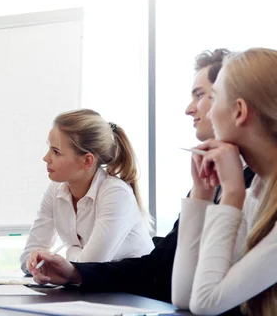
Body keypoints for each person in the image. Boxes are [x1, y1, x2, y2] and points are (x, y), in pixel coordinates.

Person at [26, 49, 254, 308]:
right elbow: (167, 272)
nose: (190, 109)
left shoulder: (254, 188)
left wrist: (76, 267)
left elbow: (200, 298)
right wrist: (75, 271)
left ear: (239, 107)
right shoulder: (211, 181)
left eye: (202, 95)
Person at [172, 48, 277, 315]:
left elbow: (206, 303)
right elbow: (184, 296)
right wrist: (202, 193)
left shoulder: (245, 192)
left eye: (213, 97)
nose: (204, 113)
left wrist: (231, 194)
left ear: (239, 111)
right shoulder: (259, 192)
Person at [21, 109, 154, 273]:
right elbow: (28, 258)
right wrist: (37, 262)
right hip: (96, 290)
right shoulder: (56, 189)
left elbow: (88, 269)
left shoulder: (116, 194)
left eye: (56, 152)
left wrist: (70, 252)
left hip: (134, 293)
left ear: (87, 161)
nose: (46, 158)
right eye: (49, 148)